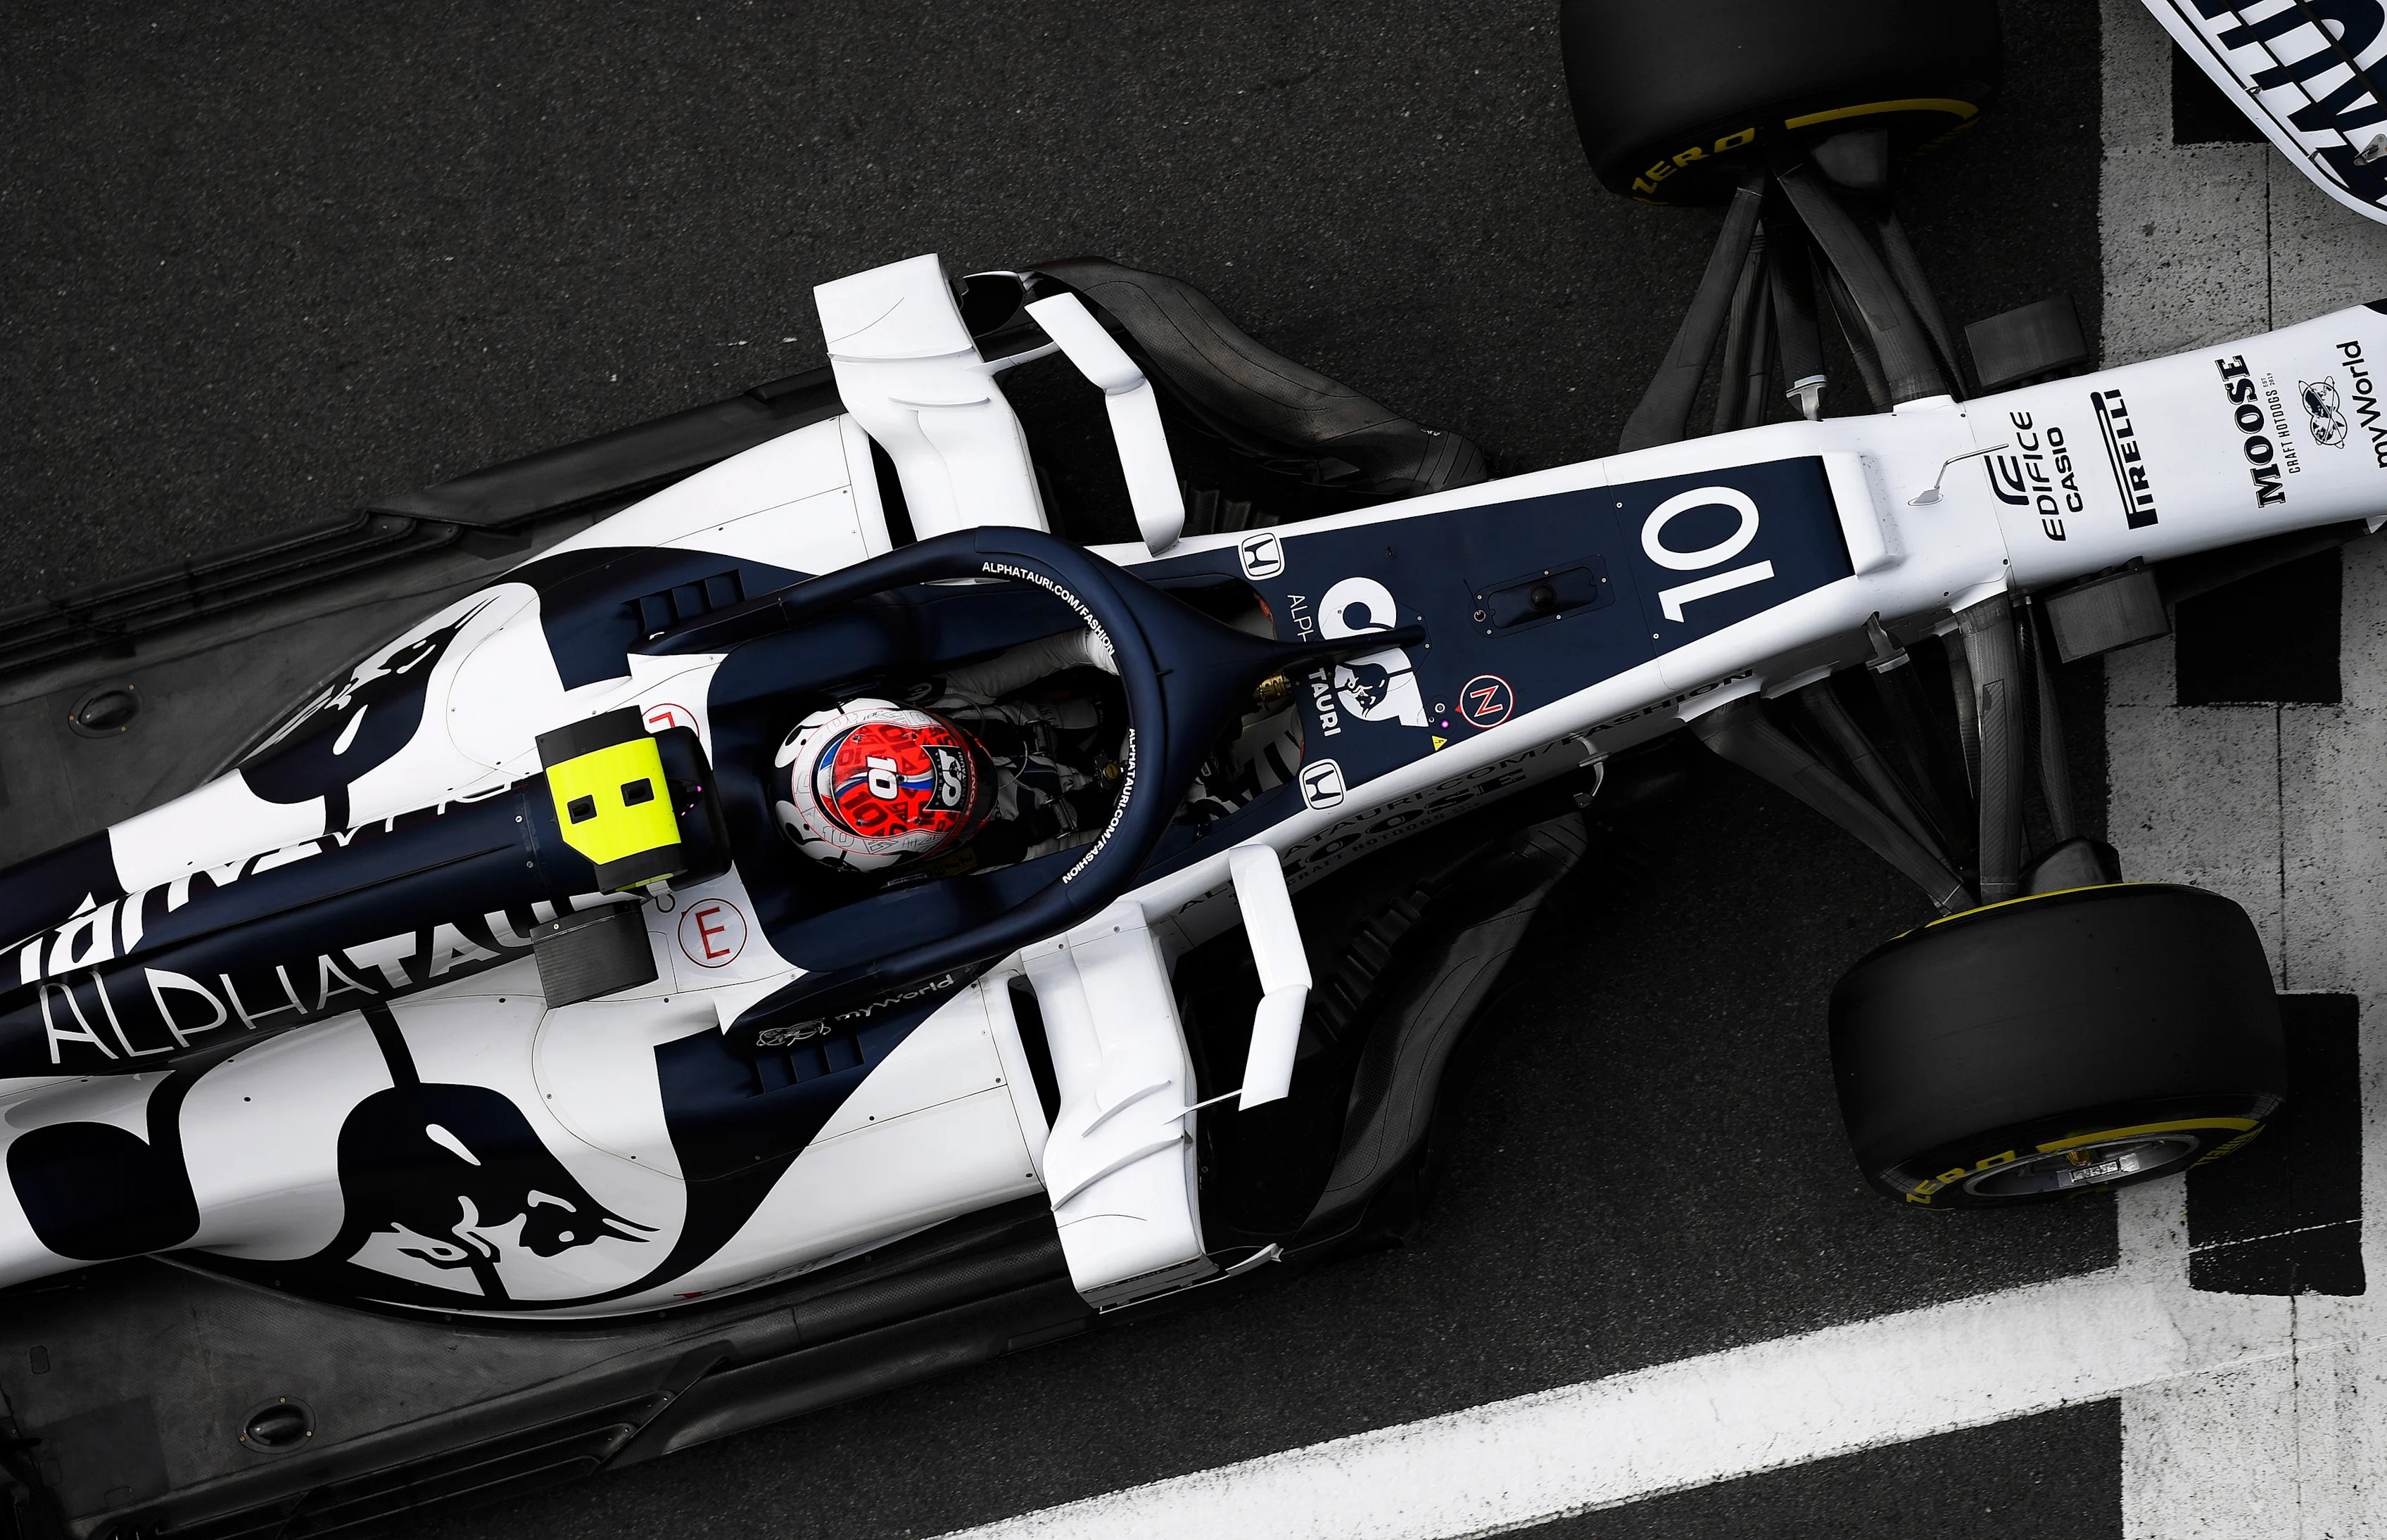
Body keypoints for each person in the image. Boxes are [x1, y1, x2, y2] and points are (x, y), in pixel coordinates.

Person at [772, 629, 1127, 877]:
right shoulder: (991, 854)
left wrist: (1105, 652)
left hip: (1107, 703)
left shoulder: (940, 702)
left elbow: (1065, 648)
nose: (984, 773)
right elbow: (1110, 847)